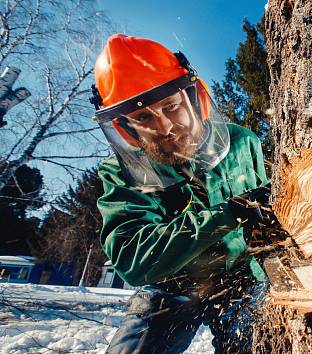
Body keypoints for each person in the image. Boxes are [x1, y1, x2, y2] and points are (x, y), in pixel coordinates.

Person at [91, 34, 276, 354]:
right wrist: (227, 215)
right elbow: (131, 257)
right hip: (171, 286)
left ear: (194, 98)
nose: (164, 127)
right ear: (125, 128)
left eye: (171, 106)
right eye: (144, 117)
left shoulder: (242, 143)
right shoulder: (123, 171)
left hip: (243, 282)